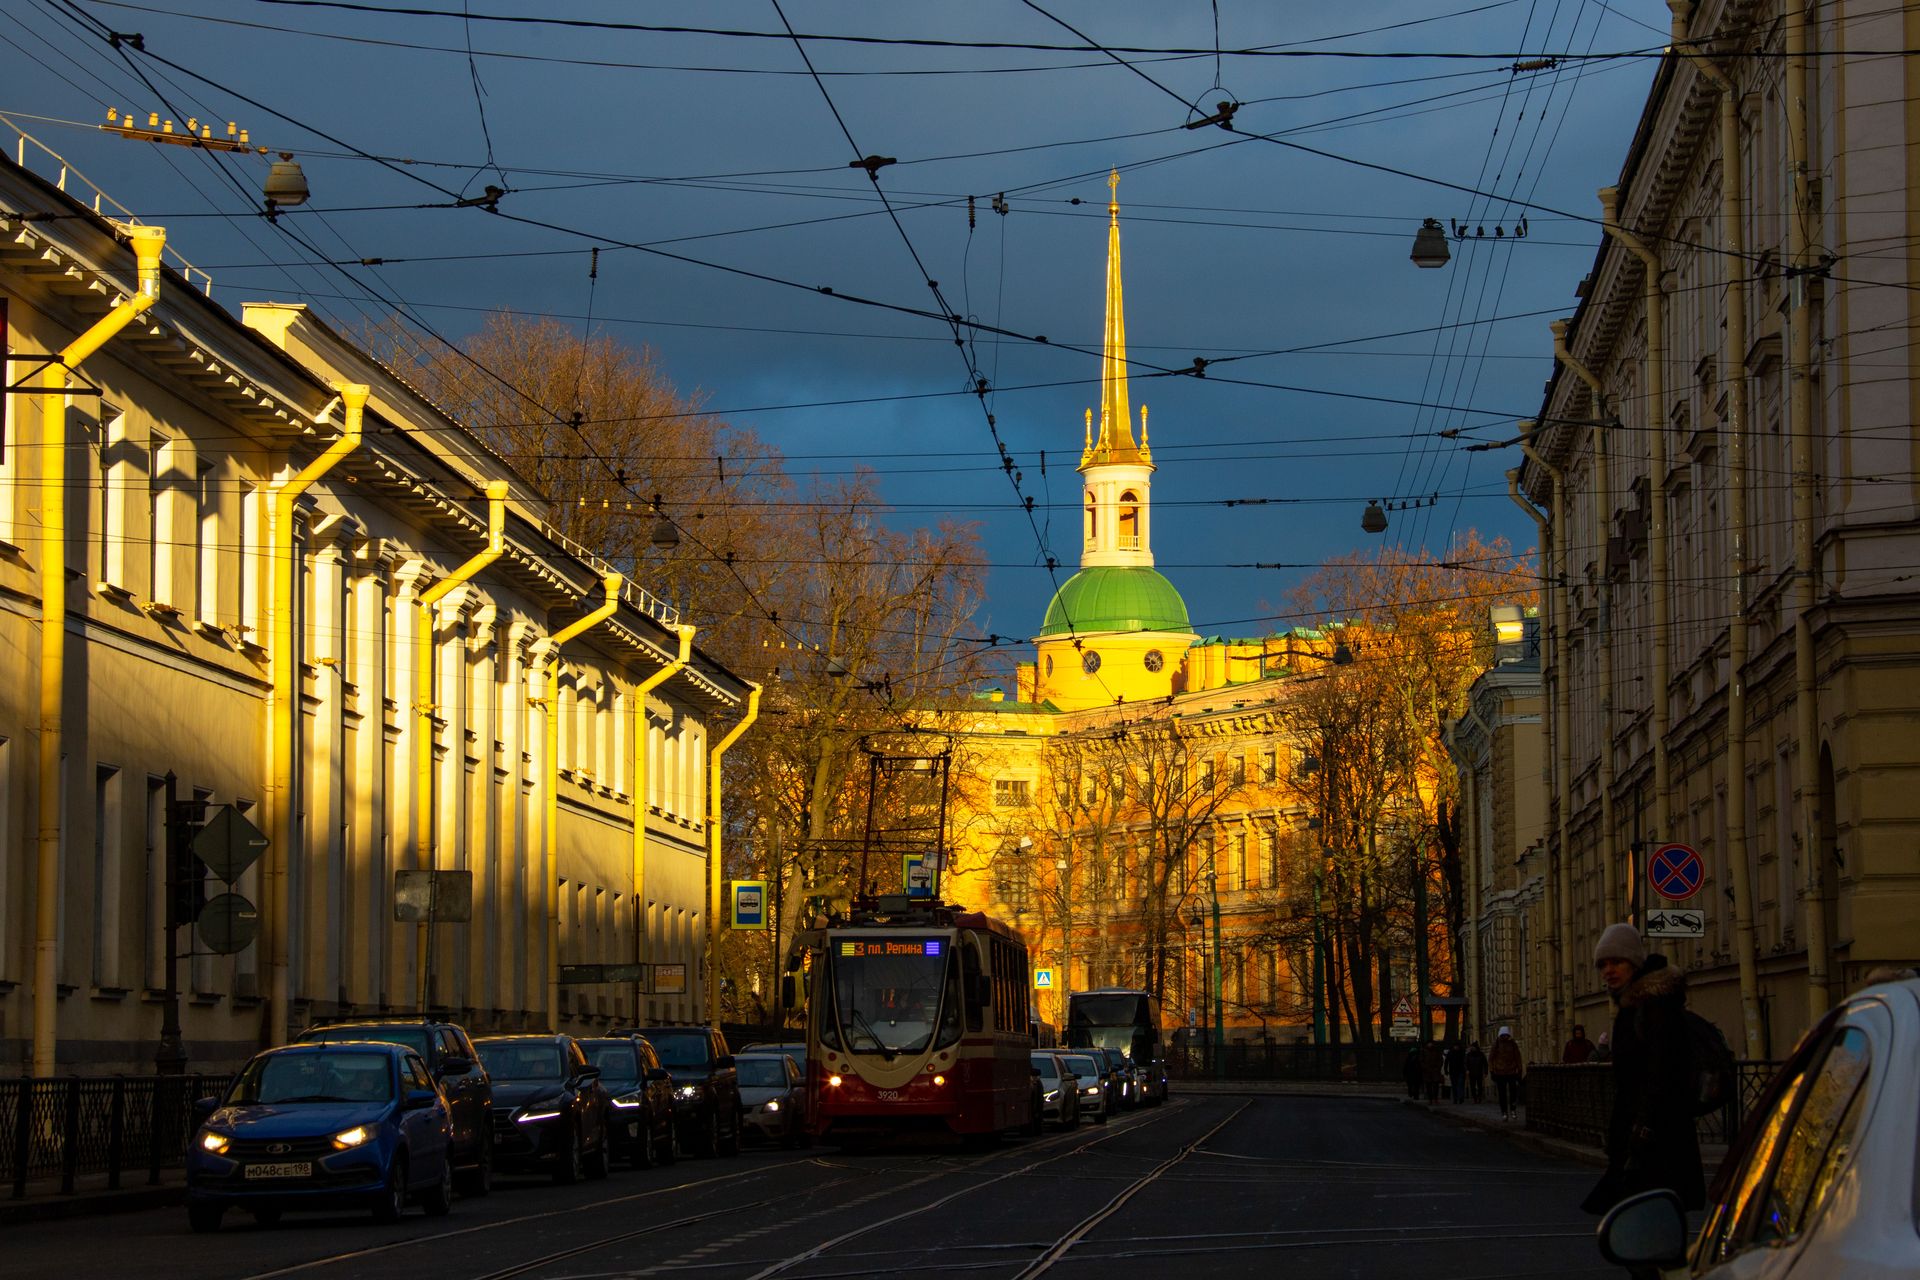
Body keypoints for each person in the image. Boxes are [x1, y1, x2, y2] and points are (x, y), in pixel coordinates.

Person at [1580, 923, 1706, 1216]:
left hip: (1656, 1137)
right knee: (1644, 1216)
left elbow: (1661, 1073)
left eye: (1617, 962)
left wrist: (1642, 1129)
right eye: (1603, 965)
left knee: (1649, 1222)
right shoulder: (1633, 1006)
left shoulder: (1654, 1008)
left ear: (1634, 963)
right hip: (1643, 1132)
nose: (1609, 971)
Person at [1488, 1027, 1523, 1120]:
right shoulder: (1496, 1044)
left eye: (1506, 1035)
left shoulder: (1512, 1044)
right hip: (1499, 1072)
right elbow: (1491, 1058)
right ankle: (1504, 1112)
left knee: (1513, 1092)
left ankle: (1513, 1109)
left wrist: (1519, 1070)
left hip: (1511, 1071)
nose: (1504, 1037)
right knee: (1502, 1093)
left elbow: (1518, 1057)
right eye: (1503, 1035)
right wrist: (1492, 1071)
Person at [1420, 1038, 1443, 1104]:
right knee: (1429, 1086)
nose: (1430, 1044)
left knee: (1436, 1086)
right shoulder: (1424, 1051)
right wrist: (1425, 1067)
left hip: (1435, 1070)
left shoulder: (1436, 1050)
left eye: (1431, 1043)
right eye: (1429, 1043)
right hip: (1427, 1071)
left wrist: (1438, 1067)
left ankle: (1435, 1099)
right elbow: (1421, 1061)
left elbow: (1440, 1059)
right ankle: (1430, 1099)